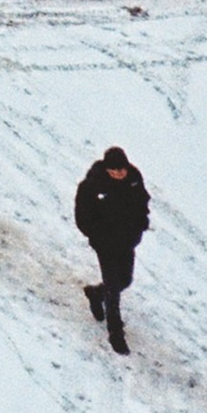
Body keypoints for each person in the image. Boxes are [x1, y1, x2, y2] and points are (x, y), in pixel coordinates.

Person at [74, 147, 151, 354]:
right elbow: (82, 217)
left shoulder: (134, 179)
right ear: (107, 169)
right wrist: (97, 235)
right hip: (106, 245)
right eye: (114, 171)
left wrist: (141, 224)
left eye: (122, 170)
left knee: (125, 280)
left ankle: (94, 294)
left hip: (127, 242)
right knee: (113, 287)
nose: (119, 174)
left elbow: (143, 203)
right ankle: (116, 333)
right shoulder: (92, 185)